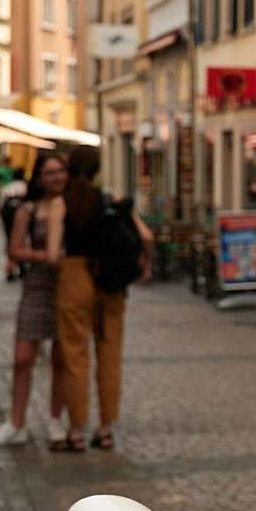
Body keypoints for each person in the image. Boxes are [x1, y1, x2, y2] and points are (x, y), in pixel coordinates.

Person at [54, 145, 149, 452]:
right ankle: (105, 428)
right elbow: (146, 237)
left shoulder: (62, 202)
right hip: (110, 281)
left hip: (74, 278)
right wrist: (144, 263)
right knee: (110, 356)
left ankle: (76, 430)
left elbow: (54, 252)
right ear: (97, 168)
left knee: (75, 355)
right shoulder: (110, 200)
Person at [0, 152, 71, 448]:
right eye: (49, 172)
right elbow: (14, 250)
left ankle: (56, 419)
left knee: (61, 359)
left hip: (67, 287)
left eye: (60, 171)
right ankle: (16, 422)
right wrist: (44, 257)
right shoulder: (27, 210)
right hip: (36, 286)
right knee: (22, 358)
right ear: (39, 178)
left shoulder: (73, 208)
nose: (56, 177)